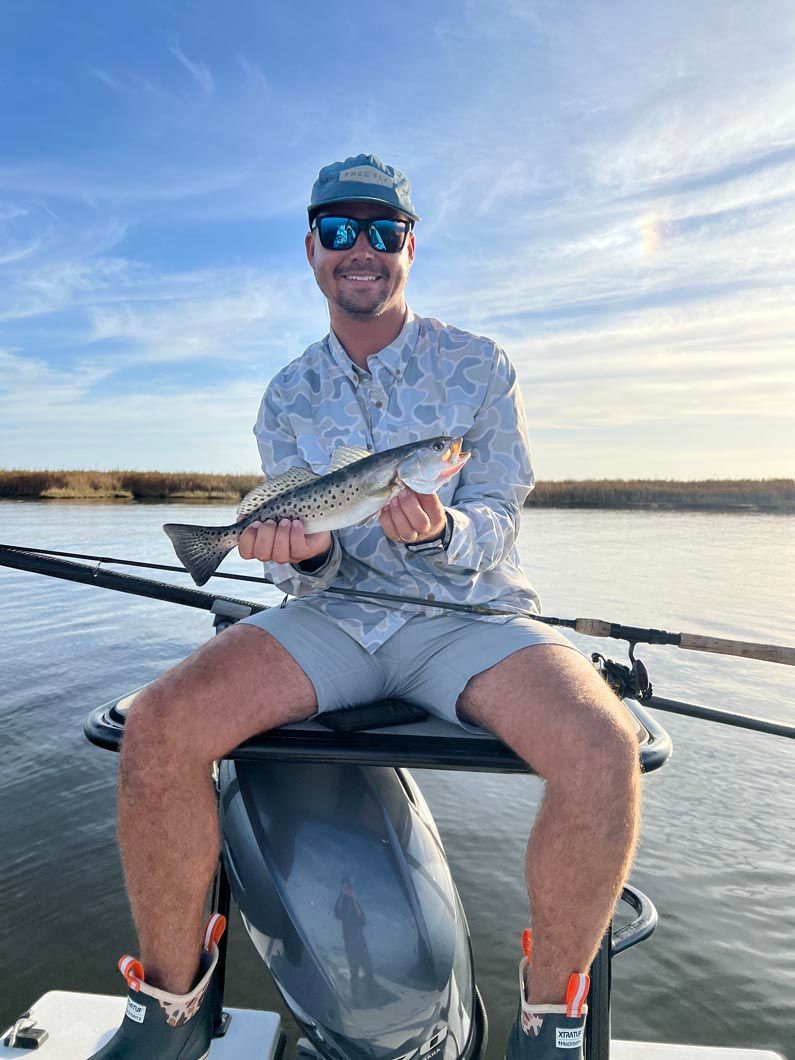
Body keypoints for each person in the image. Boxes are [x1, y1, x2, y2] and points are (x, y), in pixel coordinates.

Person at [91, 153, 640, 1060]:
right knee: (156, 726)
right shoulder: (286, 393)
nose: (363, 249)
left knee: (601, 746)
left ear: (409, 249)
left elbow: (500, 516)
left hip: (469, 616)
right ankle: (170, 1015)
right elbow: (297, 552)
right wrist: (290, 550)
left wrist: (439, 536)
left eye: (384, 232)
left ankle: (550, 1027)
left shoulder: (477, 366)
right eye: (340, 230)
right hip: (334, 615)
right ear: (312, 248)